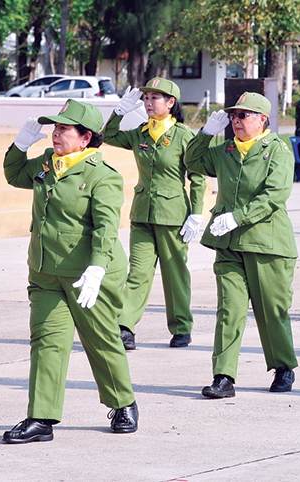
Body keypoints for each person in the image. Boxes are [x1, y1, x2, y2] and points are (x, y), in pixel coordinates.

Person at [2, 99, 138, 443]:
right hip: (47, 270)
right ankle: (41, 418)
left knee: (101, 339)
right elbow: (15, 175)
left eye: (64, 128)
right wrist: (20, 145)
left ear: (85, 137)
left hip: (89, 271)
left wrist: (97, 268)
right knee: (47, 341)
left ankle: (123, 403)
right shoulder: (49, 164)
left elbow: (107, 227)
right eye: (55, 127)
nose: (55, 133)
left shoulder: (101, 176)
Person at [185, 92, 298, 398]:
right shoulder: (224, 151)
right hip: (230, 245)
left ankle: (283, 366)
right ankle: (224, 377)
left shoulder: (277, 151)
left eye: (244, 115)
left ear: (263, 120)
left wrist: (238, 217)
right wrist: (205, 134)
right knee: (229, 310)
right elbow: (192, 161)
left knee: (272, 311)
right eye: (234, 115)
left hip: (267, 244)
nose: (237, 120)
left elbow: (275, 195)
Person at [102, 78, 205, 350]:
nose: (148, 103)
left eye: (154, 98)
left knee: (175, 274)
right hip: (143, 214)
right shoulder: (139, 133)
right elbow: (107, 136)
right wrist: (119, 111)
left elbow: (197, 178)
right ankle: (125, 327)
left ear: (171, 103)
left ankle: (181, 328)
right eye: (146, 98)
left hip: (173, 216)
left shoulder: (184, 136)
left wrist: (196, 213)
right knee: (138, 273)